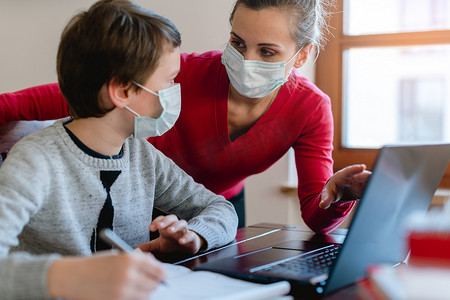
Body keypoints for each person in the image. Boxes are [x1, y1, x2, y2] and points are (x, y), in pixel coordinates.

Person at [0, 0, 370, 231]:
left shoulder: (311, 109)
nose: (246, 62)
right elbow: (52, 97)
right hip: (140, 203)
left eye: (268, 52)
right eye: (238, 43)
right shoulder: (184, 73)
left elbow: (315, 216)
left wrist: (337, 197)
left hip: (216, 207)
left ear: (301, 56)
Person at [0, 1, 238, 299]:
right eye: (169, 79)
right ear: (123, 91)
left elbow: (221, 209)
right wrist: (68, 275)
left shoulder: (141, 155)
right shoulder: (35, 161)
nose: (176, 90)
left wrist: (194, 237)